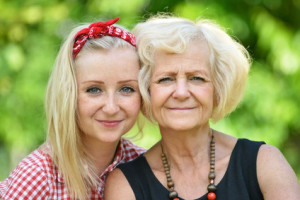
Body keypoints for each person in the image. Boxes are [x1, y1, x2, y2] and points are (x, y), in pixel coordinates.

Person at [104, 15, 300, 200]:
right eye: (166, 79)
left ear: (218, 89)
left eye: (197, 78)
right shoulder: (125, 183)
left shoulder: (264, 163)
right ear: (146, 91)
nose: (181, 92)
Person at [0, 17, 145, 199]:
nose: (111, 107)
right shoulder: (38, 177)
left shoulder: (146, 167)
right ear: (68, 95)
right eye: (94, 90)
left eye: (126, 89)